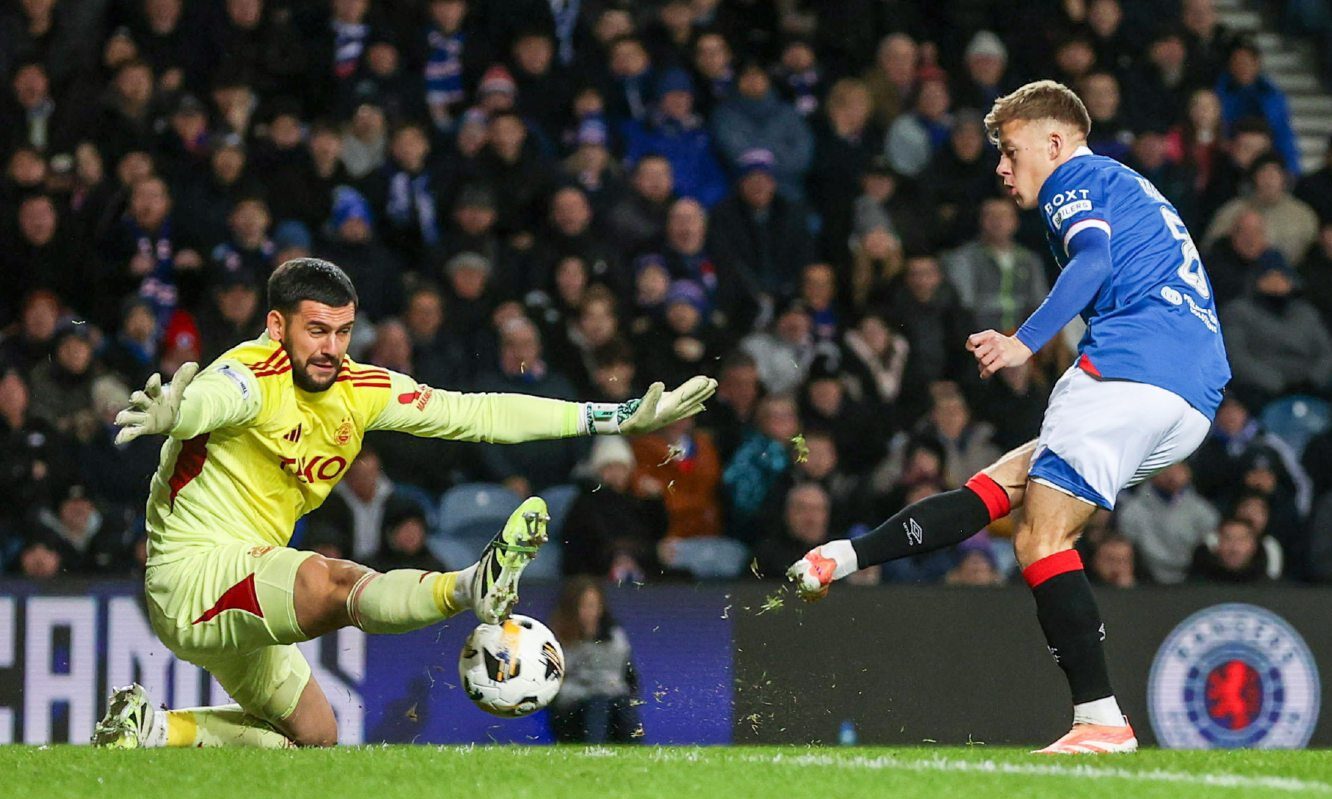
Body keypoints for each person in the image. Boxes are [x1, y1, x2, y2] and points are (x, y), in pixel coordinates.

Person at [92, 257, 714, 749]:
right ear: (277, 327)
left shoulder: (361, 389)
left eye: (342, 331)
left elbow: (479, 413)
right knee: (334, 584)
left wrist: (615, 415)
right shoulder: (249, 375)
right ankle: (469, 585)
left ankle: (150, 731)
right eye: (316, 331)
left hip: (251, 577)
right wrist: (178, 413)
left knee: (312, 737)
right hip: (191, 575)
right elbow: (212, 399)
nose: (331, 348)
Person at [787, 81, 1231, 754]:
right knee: (1001, 484)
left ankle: (1101, 719)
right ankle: (844, 556)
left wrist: (1023, 339)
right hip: (1190, 397)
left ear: (1054, 142)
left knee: (1040, 539)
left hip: (1131, 367)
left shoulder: (1072, 178)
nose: (1001, 167)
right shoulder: (1126, 182)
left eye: (1010, 149)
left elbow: (1095, 259)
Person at [548, 577, 641, 743]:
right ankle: (593, 749)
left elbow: (630, 681)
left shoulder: (615, 638)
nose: (590, 612)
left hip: (612, 702)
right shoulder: (557, 641)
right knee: (598, 702)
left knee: (619, 703)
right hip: (571, 708)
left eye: (594, 605)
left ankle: (637, 752)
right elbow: (553, 686)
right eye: (583, 606)